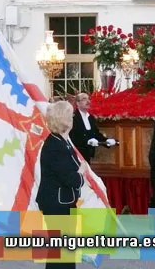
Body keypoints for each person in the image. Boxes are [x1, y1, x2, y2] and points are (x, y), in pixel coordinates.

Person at [36, 101, 87, 268]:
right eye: (70, 115)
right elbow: (70, 178)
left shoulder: (61, 141)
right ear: (64, 119)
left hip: (62, 202)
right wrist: (81, 172)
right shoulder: (55, 146)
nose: (73, 118)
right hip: (56, 203)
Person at [69, 93, 115, 163]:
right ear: (78, 103)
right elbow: (72, 137)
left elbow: (96, 134)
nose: (88, 101)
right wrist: (87, 142)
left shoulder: (91, 118)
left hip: (88, 154)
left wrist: (106, 141)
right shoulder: (73, 118)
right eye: (84, 99)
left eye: (88, 99)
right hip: (76, 155)